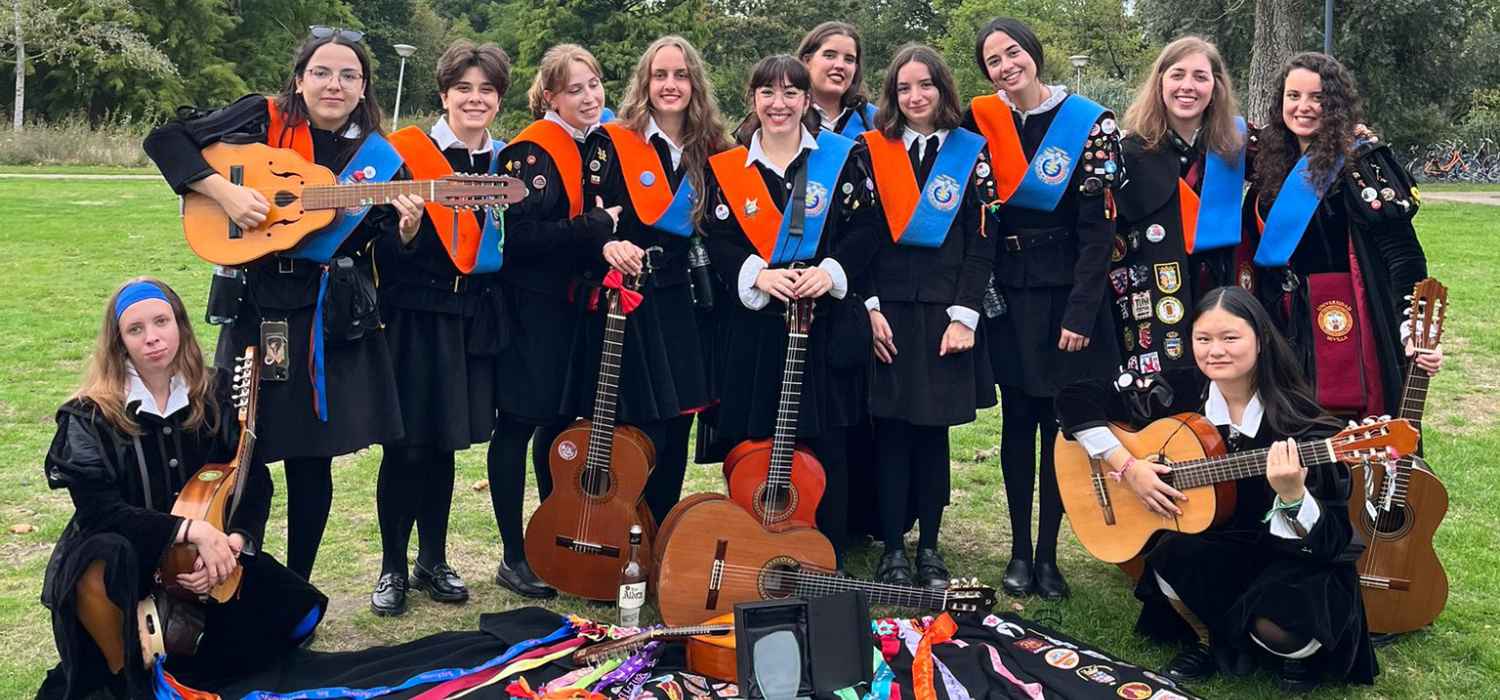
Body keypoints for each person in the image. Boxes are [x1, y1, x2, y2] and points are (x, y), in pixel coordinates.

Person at [1057, 286, 1440, 690]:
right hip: (1214, 548)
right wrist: (1129, 466)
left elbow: (1335, 543)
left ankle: (1279, 648)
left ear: (1261, 339)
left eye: (1230, 338)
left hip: (1287, 557)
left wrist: (1294, 496)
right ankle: (1208, 640)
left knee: (1288, 625)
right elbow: (1073, 397)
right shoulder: (1178, 392)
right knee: (1173, 553)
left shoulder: (1305, 428)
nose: (1215, 351)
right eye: (1203, 339)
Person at [142, 28, 413, 583]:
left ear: (364, 88)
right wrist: (225, 193)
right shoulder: (261, 119)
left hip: (323, 318)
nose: (334, 84)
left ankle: (297, 584)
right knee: (240, 444)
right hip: (254, 306)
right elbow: (166, 140)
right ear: (299, 78)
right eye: (322, 72)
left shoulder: (379, 159)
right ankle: (235, 570)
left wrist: (405, 230)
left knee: (311, 460)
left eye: (348, 75)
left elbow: (379, 251)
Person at [38, 278, 326, 699]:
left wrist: (233, 543)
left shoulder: (211, 391)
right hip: (123, 563)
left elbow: (253, 480)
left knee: (302, 612)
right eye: (135, 329)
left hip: (202, 557)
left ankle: (182, 649)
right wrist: (191, 532)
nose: (152, 338)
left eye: (161, 322)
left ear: (181, 326)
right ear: (118, 342)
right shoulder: (89, 414)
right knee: (106, 562)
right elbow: (101, 512)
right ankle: (128, 654)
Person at [965, 17, 1123, 599]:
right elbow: (971, 212)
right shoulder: (982, 123)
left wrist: (1082, 312)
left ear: (1034, 53)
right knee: (1017, 424)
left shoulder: (1089, 121)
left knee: (1063, 425)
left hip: (1066, 297)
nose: (1007, 67)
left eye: (1014, 53)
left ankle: (1051, 554)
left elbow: (1099, 228)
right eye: (994, 61)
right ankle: (1017, 551)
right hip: (1009, 298)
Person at [703, 54, 878, 571]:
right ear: (752, 100)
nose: (778, 104)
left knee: (828, 439)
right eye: (767, 93)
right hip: (756, 327)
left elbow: (867, 228)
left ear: (807, 100)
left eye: (790, 94)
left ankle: (827, 550)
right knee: (754, 436)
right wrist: (758, 274)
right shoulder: (728, 168)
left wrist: (831, 270)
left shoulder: (842, 159)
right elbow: (717, 238)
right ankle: (752, 543)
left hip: (822, 323)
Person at [367, 40, 514, 615]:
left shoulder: (505, 162)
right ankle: (391, 567)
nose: (474, 100)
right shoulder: (407, 153)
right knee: (406, 446)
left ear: (498, 100)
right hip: (413, 317)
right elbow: (372, 243)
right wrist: (403, 235)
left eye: (486, 90)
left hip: (468, 319)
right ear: (444, 94)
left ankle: (432, 559)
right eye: (464, 89)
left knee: (446, 443)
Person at [571, 36, 732, 524]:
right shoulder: (610, 142)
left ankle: (658, 530)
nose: (670, 85)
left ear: (695, 84)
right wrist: (605, 247)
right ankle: (619, 529)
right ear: (645, 82)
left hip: (688, 304)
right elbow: (586, 221)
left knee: (678, 422)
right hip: (629, 303)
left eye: (680, 75)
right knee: (634, 424)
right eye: (660, 75)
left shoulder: (717, 150)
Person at [857, 44, 997, 587]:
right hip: (887, 313)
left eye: (926, 85)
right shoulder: (871, 151)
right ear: (893, 95)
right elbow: (860, 237)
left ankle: (931, 548)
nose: (915, 97)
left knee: (932, 434)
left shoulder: (971, 153)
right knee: (891, 431)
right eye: (904, 88)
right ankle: (893, 548)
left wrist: (964, 316)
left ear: (943, 89)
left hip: (945, 314)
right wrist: (867, 307)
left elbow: (982, 241)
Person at [486, 43, 620, 598]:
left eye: (593, 84)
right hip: (530, 308)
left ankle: (553, 535)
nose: (588, 97)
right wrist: (594, 227)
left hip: (574, 309)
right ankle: (514, 554)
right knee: (518, 425)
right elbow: (519, 239)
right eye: (574, 89)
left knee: (559, 428)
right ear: (549, 97)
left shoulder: (596, 145)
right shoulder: (530, 153)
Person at [1245, 52, 1429, 419]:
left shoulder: (1362, 163)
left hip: (1342, 325)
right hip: (1279, 322)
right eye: (1293, 96)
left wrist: (1412, 325)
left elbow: (1403, 255)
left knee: (1343, 433)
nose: (1304, 107)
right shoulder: (1269, 159)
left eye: (1318, 98)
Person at [1115, 37, 1248, 374]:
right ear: (1160, 81)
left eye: (1200, 77)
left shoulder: (1236, 147)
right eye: (1177, 75)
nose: (1187, 86)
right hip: (1154, 308)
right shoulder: (1128, 153)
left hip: (1218, 295)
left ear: (1216, 87)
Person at [797, 21, 878, 139]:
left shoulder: (876, 121)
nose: (840, 65)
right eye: (829, 55)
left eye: (849, 59)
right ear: (807, 61)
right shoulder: (785, 115)